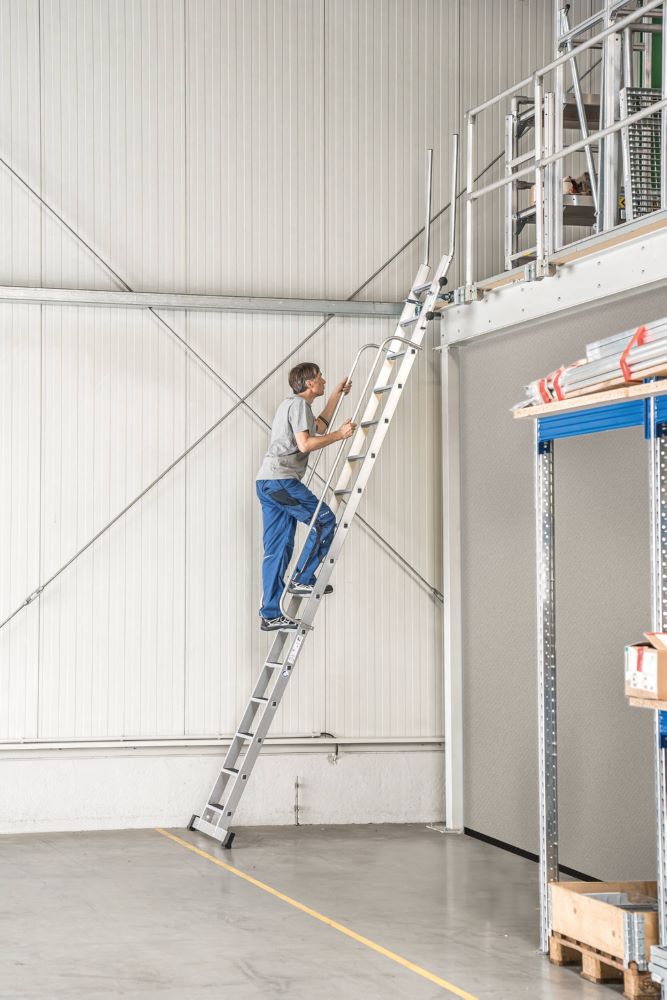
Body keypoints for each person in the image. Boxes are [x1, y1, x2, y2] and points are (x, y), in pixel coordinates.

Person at [255, 362, 357, 631]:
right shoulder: (299, 405)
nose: (324, 380)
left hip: (267, 482)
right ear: (310, 383)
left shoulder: (294, 406)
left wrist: (335, 395)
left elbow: (318, 427)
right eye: (320, 378)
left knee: (277, 549)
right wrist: (340, 435)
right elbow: (306, 444)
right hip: (281, 481)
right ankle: (302, 577)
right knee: (324, 520)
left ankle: (270, 614)